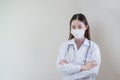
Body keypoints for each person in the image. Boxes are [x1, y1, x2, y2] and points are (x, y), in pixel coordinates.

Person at [57, 13, 101, 80]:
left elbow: (93, 71)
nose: (76, 29)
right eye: (73, 27)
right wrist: (82, 67)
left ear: (86, 27)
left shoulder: (93, 47)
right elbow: (61, 68)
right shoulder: (64, 46)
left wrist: (70, 73)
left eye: (79, 27)